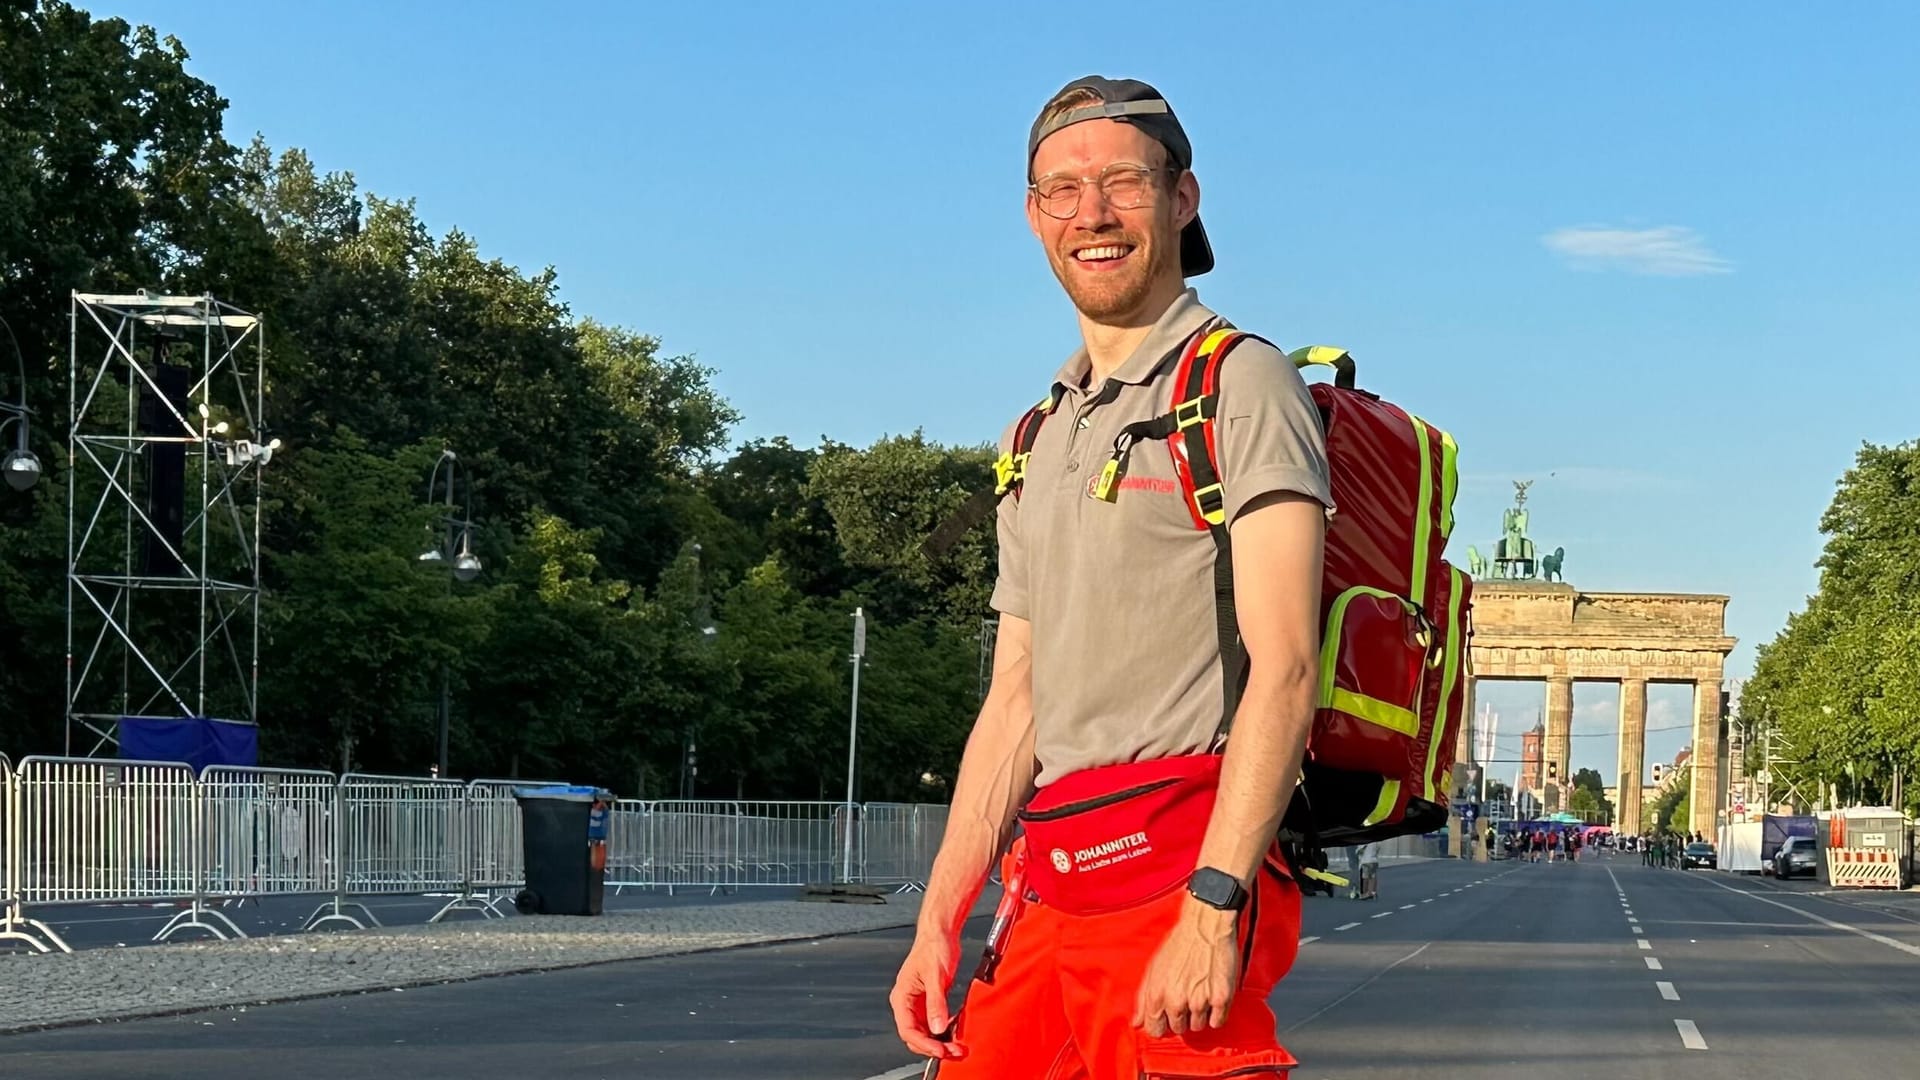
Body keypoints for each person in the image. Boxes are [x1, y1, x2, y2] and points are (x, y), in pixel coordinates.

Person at [888, 75, 1333, 1078]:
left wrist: (1216, 907)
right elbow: (1016, 700)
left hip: (1179, 869)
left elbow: (1289, 667)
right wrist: (937, 920)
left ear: (1182, 200)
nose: (1092, 213)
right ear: (1034, 215)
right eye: (1062, 189)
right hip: (1049, 880)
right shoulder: (1035, 433)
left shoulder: (1236, 383)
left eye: (1122, 183)